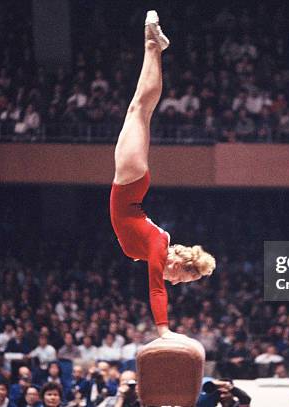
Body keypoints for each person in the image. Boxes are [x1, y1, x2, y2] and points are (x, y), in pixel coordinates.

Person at [109, 10, 216, 337]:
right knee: (139, 108)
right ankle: (150, 41)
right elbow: (157, 290)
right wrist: (164, 331)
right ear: (179, 265)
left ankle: (154, 46)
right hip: (129, 182)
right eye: (185, 278)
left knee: (141, 109)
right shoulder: (158, 247)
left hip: (132, 186)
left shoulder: (157, 244)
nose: (179, 282)